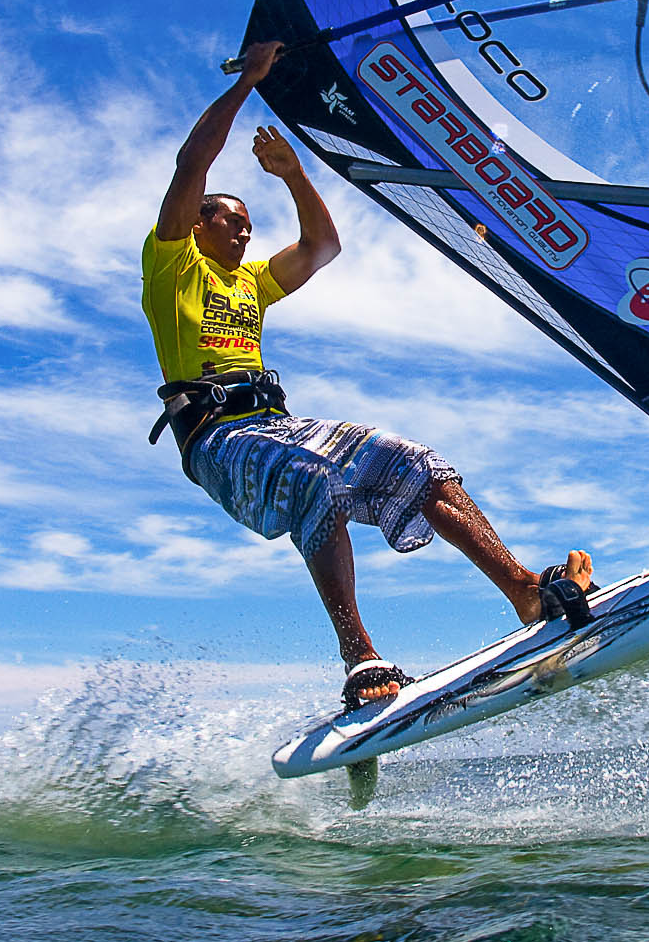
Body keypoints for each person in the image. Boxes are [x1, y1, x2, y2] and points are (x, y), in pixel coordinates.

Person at [141, 39, 597, 709]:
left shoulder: (254, 282)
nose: (243, 234)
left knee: (413, 459)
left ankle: (524, 590)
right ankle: (362, 659)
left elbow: (324, 246)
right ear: (198, 223)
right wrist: (252, 83)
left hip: (278, 424)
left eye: (247, 225)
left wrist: (293, 174)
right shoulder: (171, 264)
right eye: (230, 222)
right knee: (313, 482)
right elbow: (193, 160)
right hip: (218, 443)